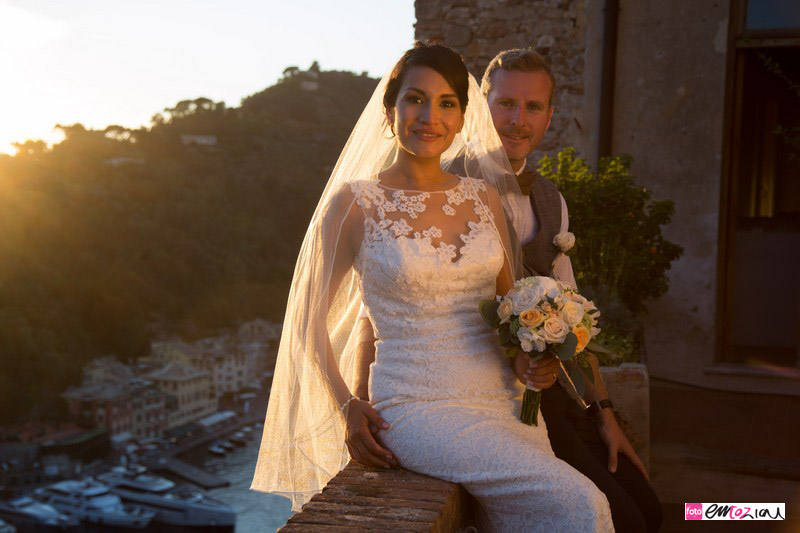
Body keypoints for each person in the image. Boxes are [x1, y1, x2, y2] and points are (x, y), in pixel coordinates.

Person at [252, 42, 613, 532]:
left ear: (464, 118)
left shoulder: (483, 197)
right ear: (390, 108)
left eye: (447, 103)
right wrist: (347, 404)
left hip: (505, 400)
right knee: (579, 503)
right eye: (415, 99)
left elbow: (508, 312)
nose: (430, 116)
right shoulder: (355, 204)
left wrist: (530, 359)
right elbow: (308, 322)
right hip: (416, 408)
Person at [350, 48, 662, 533]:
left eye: (533, 107)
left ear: (549, 117)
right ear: (481, 106)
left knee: (655, 510)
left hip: (548, 389)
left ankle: (753, 514)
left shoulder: (550, 200)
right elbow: (377, 311)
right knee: (618, 518)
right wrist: (356, 400)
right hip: (486, 397)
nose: (518, 121)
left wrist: (603, 411)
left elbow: (569, 312)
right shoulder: (443, 187)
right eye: (506, 105)